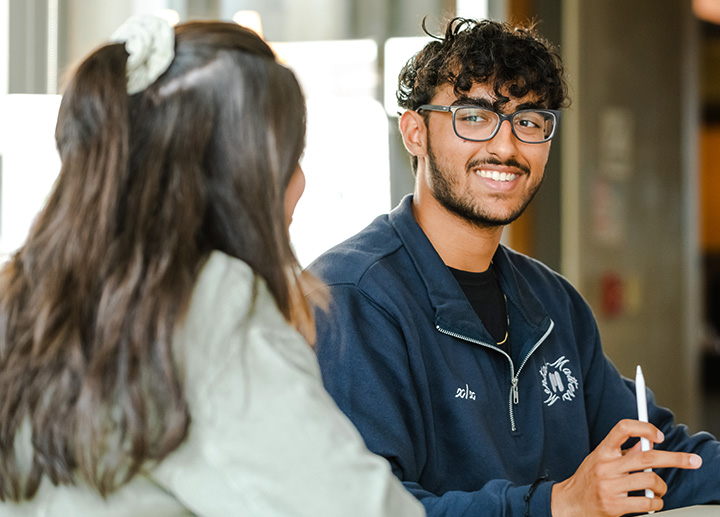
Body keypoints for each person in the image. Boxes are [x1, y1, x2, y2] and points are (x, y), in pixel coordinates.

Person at [0, 15, 425, 517]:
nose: (301, 183)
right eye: (291, 157)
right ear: (233, 172)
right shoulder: (210, 308)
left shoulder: (24, 297)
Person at [309, 17, 720, 517]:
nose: (506, 147)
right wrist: (557, 505)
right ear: (415, 133)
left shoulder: (552, 301)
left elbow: (655, 458)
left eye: (528, 122)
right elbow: (363, 507)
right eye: (474, 117)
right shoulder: (351, 295)